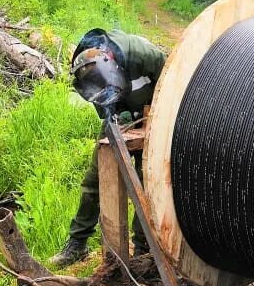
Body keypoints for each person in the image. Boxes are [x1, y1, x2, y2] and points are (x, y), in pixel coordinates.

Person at [49, 28, 167, 268]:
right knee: (95, 181)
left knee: (148, 182)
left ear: (111, 64)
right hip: (119, 120)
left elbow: (175, 79)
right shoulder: (87, 75)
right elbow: (102, 105)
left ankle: (144, 247)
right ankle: (77, 244)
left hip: (156, 117)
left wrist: (156, 117)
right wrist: (117, 118)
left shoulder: (142, 54)